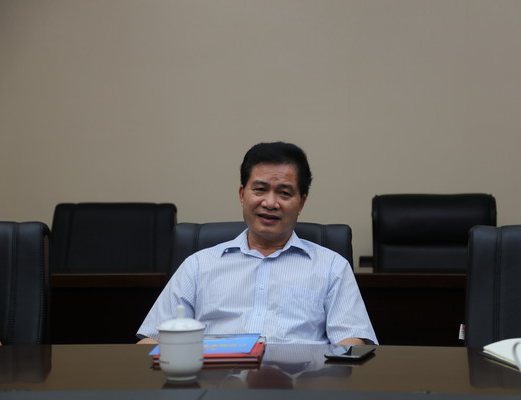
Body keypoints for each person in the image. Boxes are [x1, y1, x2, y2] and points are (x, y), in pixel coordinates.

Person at [137, 142, 377, 345]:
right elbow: (152, 340)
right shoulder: (198, 265)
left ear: (301, 203)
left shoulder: (332, 266)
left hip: (302, 381)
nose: (270, 203)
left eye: (284, 193)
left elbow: (351, 342)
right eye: (260, 189)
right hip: (213, 381)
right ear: (242, 195)